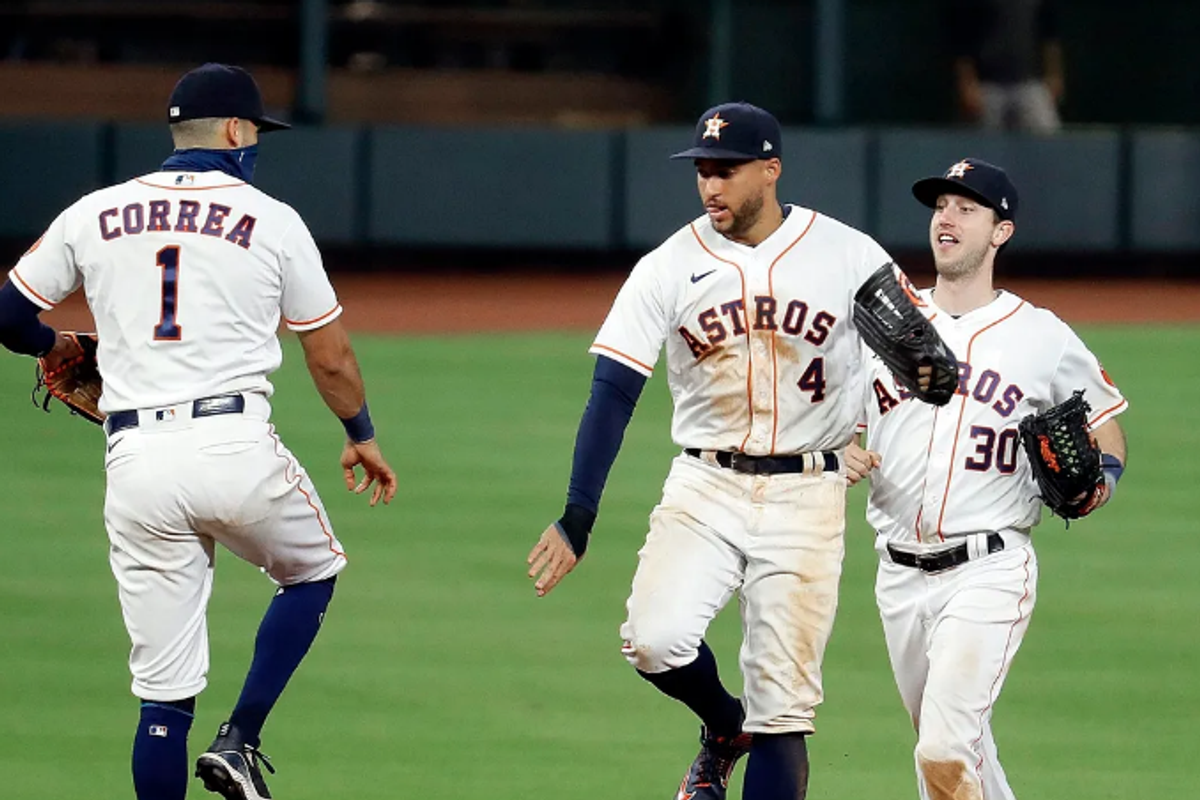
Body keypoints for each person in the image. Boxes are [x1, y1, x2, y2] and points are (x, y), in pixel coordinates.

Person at [0, 63, 398, 800]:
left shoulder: (94, 212)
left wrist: (54, 346)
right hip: (233, 446)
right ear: (237, 131)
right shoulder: (272, 218)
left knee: (162, 698)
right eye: (257, 133)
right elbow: (330, 355)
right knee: (312, 571)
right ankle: (242, 739)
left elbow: (7, 314)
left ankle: (198, 741)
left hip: (137, 462)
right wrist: (359, 432)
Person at [526, 101, 931, 800]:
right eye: (703, 171)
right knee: (653, 641)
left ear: (770, 171)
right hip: (704, 487)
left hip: (808, 496)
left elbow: (911, 362)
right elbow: (613, 390)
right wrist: (578, 513)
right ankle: (722, 726)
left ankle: (752, 732)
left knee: (785, 709)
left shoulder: (848, 253)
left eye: (727, 171)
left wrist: (889, 413)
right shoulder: (668, 266)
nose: (710, 185)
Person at [846, 157, 1128, 800]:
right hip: (897, 575)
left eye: (966, 209)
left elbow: (1107, 419)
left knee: (943, 752)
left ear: (1000, 232)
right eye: (940, 207)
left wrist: (1103, 476)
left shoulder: (1041, 336)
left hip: (990, 569)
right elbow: (840, 420)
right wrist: (844, 449)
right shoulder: (891, 330)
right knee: (959, 757)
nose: (946, 218)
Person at [948, 0, 1064, 133]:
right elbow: (961, 38)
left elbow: (1050, 36)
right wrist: (967, 83)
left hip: (1031, 84)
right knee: (983, 148)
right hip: (987, 87)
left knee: (1048, 139)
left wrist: (1054, 74)